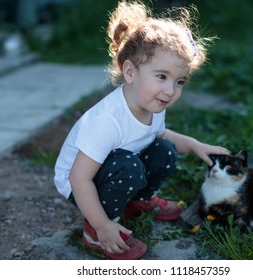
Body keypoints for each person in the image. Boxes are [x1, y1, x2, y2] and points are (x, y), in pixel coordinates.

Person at [54, 0, 229, 260]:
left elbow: (159, 135)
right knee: (128, 167)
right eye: (161, 76)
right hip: (79, 184)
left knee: (165, 151)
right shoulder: (107, 121)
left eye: (179, 82)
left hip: (115, 167)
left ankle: (138, 202)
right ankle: (96, 229)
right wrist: (103, 225)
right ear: (130, 72)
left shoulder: (152, 104)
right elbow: (79, 179)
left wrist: (194, 145)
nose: (170, 91)